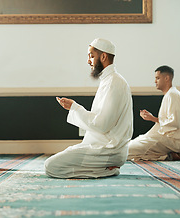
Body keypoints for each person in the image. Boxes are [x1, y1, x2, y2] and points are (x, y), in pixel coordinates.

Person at [44, 38, 133, 178]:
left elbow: (102, 125)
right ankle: (105, 169)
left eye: (91, 56)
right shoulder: (109, 81)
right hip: (102, 146)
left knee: (51, 167)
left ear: (103, 56)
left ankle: (107, 169)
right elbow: (100, 120)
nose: (88, 61)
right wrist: (73, 108)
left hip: (109, 150)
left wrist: (75, 108)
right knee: (62, 157)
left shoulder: (114, 82)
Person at [128, 65, 180, 161]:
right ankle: (169, 155)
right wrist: (151, 117)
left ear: (167, 78)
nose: (155, 81)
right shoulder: (170, 94)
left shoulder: (173, 95)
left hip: (170, 140)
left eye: (157, 78)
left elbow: (175, 123)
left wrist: (152, 118)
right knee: (132, 145)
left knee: (126, 151)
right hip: (163, 138)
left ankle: (171, 153)